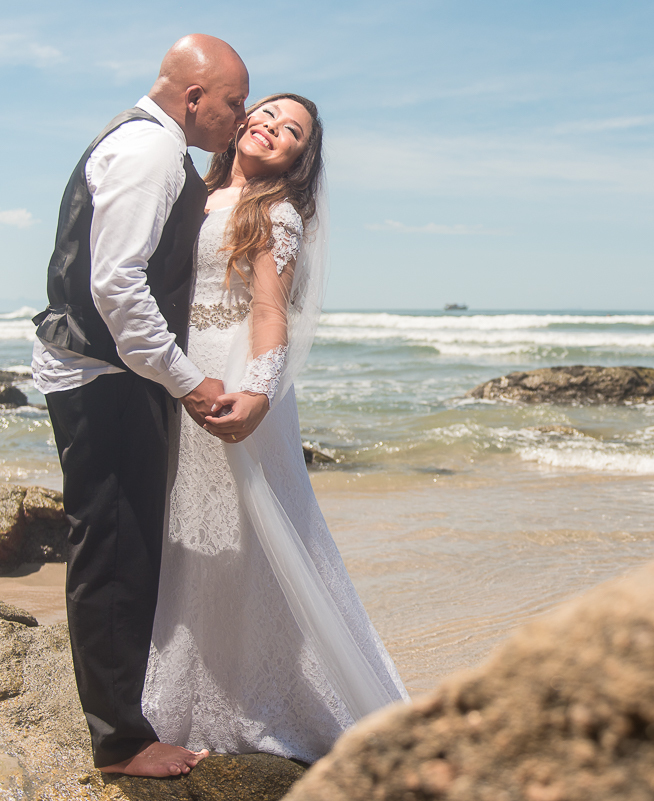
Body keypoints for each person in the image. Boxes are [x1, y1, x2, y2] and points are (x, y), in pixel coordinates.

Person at [141, 93, 408, 763]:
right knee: (189, 530)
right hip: (179, 371)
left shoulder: (275, 213)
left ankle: (262, 696)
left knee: (256, 533)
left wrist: (257, 392)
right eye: (265, 112)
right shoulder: (190, 192)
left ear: (297, 158)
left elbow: (268, 314)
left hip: (233, 376)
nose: (269, 127)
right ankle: (180, 685)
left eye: (290, 131)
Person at [30, 35, 249, 777]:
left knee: (124, 543)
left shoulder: (154, 146)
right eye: (232, 102)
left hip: (108, 372)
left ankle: (125, 711)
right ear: (194, 98)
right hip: (103, 376)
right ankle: (120, 740)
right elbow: (116, 286)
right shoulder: (151, 152)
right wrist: (187, 380)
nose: (239, 117)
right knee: (116, 549)